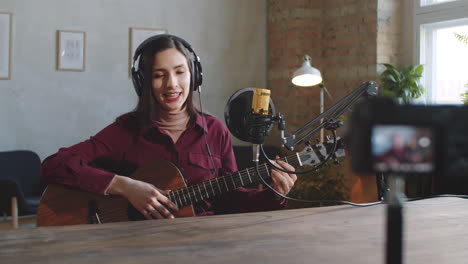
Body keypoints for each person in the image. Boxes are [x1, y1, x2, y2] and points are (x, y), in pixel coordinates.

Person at [41, 34, 297, 220]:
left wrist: (275, 195)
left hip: (203, 242)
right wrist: (127, 187)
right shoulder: (125, 131)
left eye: (179, 72)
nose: (172, 84)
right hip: (136, 246)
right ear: (144, 83)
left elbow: (229, 200)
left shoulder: (214, 130)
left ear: (193, 76)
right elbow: (54, 164)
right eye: (159, 75)